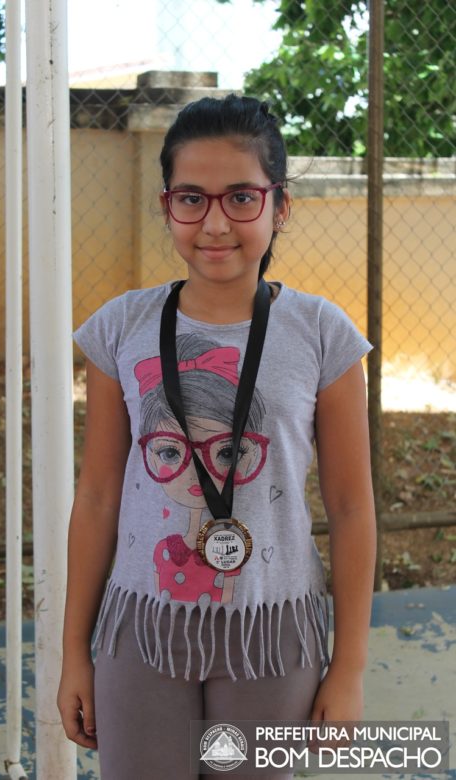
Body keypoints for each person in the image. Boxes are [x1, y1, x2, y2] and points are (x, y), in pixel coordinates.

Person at [57, 94, 376, 779]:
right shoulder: (120, 328)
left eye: (241, 197)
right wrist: (73, 653)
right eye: (191, 199)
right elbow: (99, 497)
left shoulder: (323, 335)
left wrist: (348, 666)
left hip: (271, 633)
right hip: (141, 631)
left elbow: (352, 509)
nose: (215, 222)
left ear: (279, 205)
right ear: (167, 205)